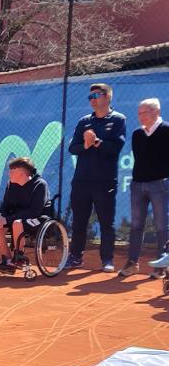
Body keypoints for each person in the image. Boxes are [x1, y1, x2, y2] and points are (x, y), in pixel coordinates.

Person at [64, 82, 126, 272]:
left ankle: (107, 260)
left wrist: (96, 141)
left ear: (107, 97)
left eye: (96, 96)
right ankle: (75, 257)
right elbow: (73, 148)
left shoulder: (118, 120)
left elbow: (116, 148)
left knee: (107, 222)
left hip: (105, 181)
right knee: (79, 221)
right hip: (82, 181)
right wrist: (86, 145)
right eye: (90, 97)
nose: (92, 100)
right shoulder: (84, 121)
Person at [119, 98, 169, 279]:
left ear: (156, 112)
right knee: (136, 225)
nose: (140, 116)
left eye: (144, 112)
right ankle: (133, 263)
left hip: (160, 185)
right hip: (137, 185)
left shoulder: (166, 130)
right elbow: (141, 159)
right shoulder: (137, 134)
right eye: (139, 113)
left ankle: (161, 266)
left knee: (162, 226)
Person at [0, 157, 53, 272]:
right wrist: (0, 216)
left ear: (22, 173)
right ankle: (8, 261)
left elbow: (34, 211)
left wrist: (7, 220)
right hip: (16, 218)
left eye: (12, 171)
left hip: (39, 218)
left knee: (17, 224)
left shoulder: (40, 185)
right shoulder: (11, 185)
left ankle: (19, 259)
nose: (8, 174)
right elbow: (5, 205)